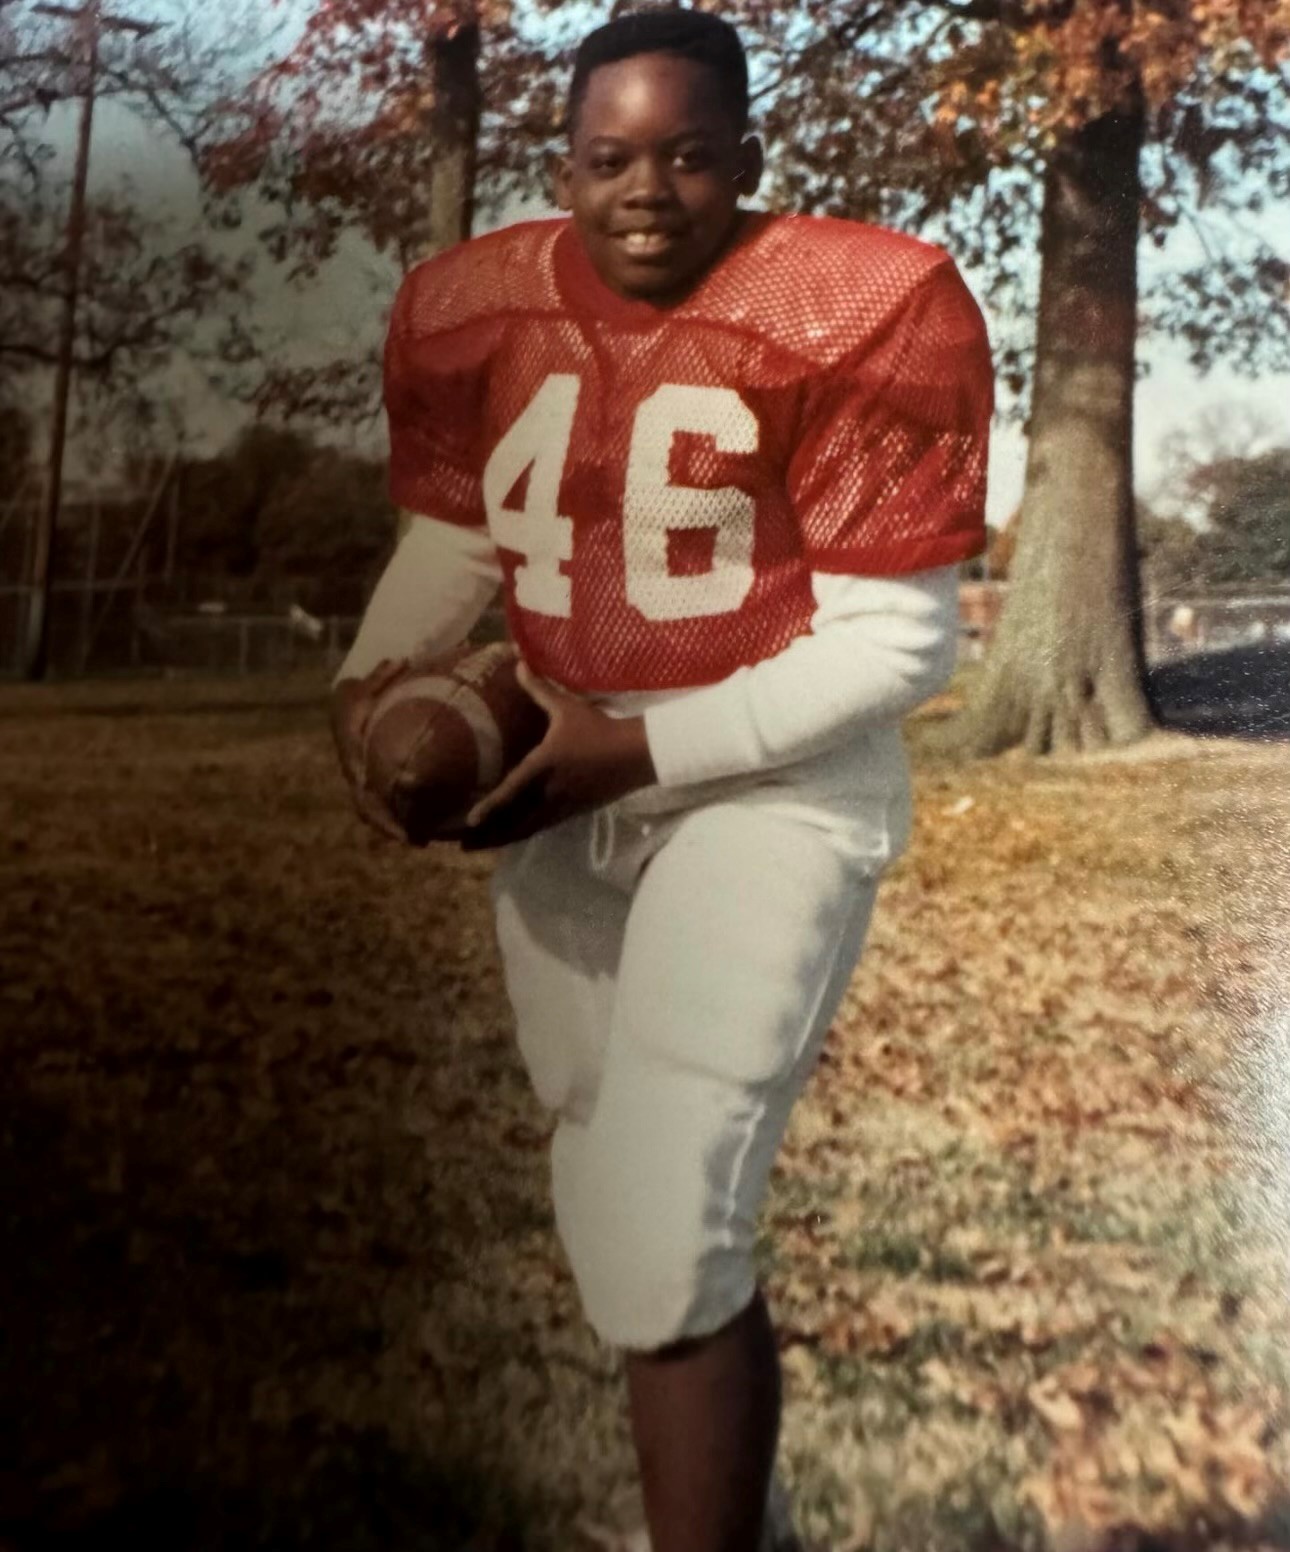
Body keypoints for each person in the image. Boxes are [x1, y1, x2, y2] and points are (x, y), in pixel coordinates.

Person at [332, 8, 992, 1549]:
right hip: (574, 766)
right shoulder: (474, 304)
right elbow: (464, 532)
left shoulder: (862, 301)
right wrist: (363, 688)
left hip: (771, 783)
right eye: (609, 158)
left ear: (748, 157)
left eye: (689, 157)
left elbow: (898, 644)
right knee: (600, 1165)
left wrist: (634, 750)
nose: (646, 192)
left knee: (656, 1221)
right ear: (561, 164)